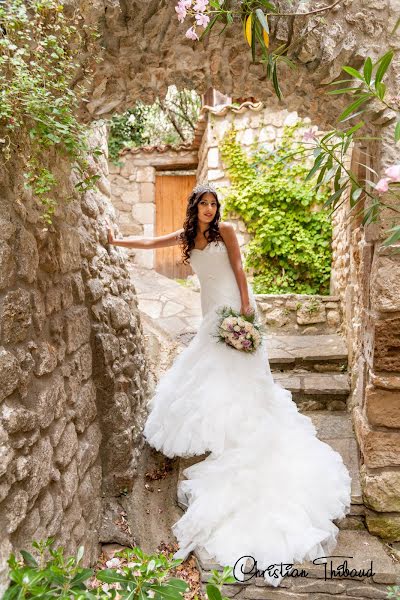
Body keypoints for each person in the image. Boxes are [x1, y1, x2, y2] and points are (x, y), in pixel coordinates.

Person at [107, 181, 352, 588]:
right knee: (207, 373)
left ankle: (244, 429)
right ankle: (216, 428)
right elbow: (150, 243)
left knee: (242, 375)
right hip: (209, 318)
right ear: (194, 207)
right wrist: (117, 239)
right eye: (203, 203)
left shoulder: (227, 233)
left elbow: (238, 269)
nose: (208, 208)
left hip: (233, 312)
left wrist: (245, 308)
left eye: (213, 202)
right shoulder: (188, 236)